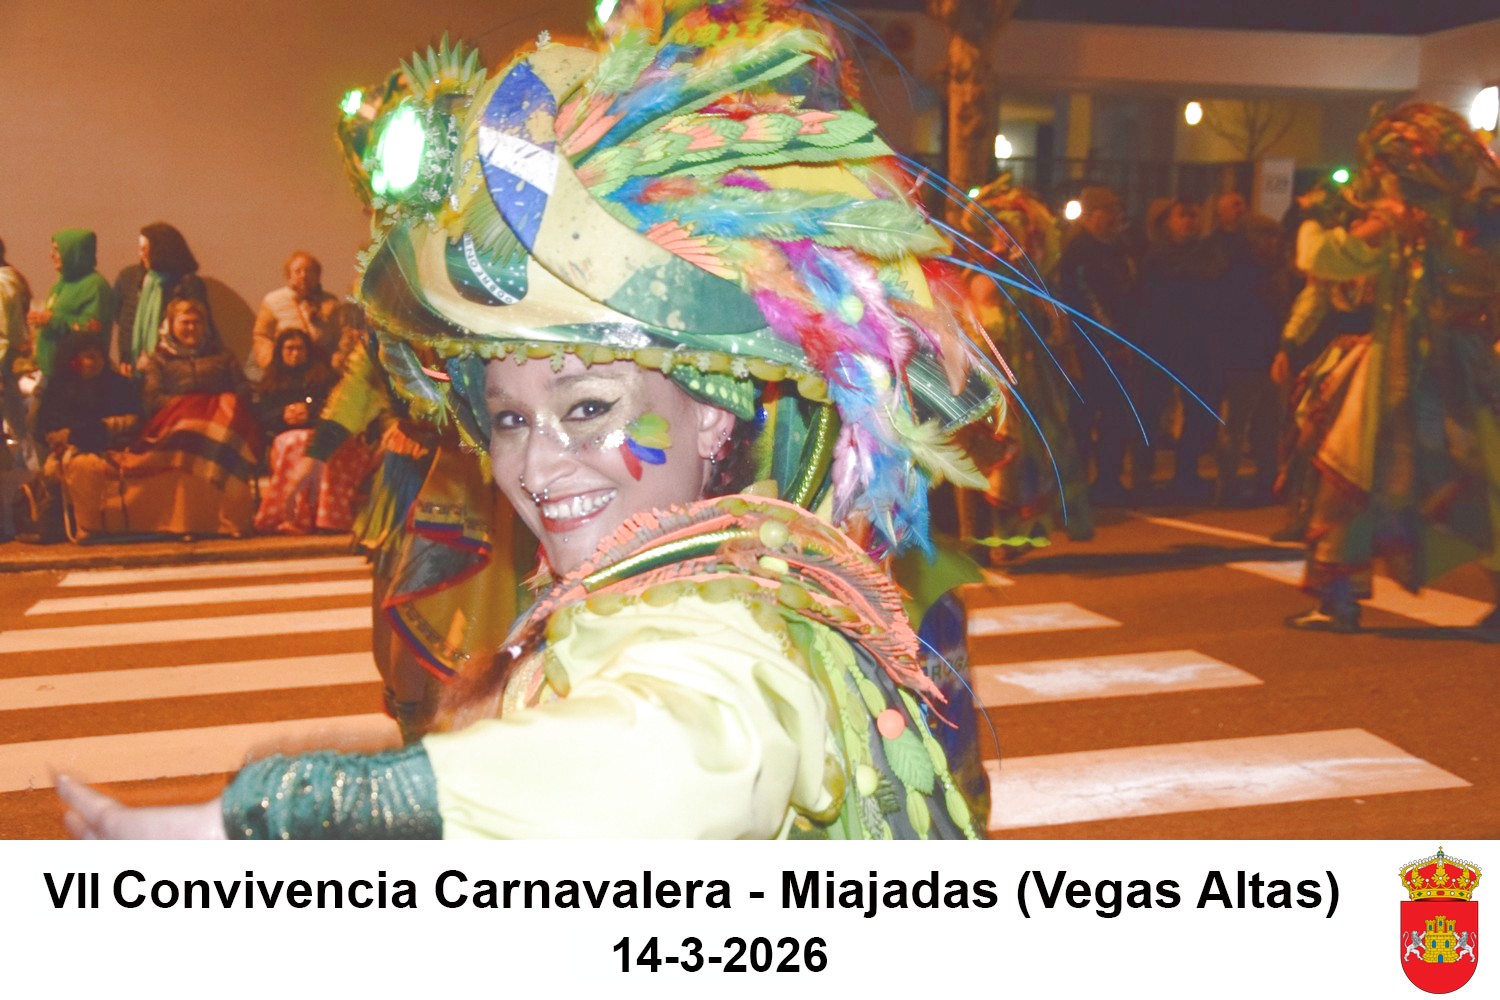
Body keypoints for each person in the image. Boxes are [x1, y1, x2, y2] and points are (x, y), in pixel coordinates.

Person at [57, 0, 1002, 839]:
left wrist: (296, 815)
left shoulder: (738, 627)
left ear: (716, 417)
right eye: (507, 420)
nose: (537, 469)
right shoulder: (637, 587)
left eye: (589, 408)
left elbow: (672, 758)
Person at [1282, 103, 1500, 634]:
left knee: (1351, 477)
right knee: (1481, 480)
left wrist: (1315, 218)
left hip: (1408, 372)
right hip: (1457, 368)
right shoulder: (1464, 223)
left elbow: (1323, 259)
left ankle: (1337, 598)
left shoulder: (1408, 224)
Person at [61, 297, 259, 539]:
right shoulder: (160, 360)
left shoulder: (223, 357)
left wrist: (216, 406)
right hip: (177, 425)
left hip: (219, 424)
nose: (191, 328)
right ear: (171, 324)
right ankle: (190, 522)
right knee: (186, 438)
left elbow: (242, 390)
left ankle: (229, 521)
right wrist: (190, 408)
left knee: (220, 438)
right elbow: (152, 399)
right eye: (185, 322)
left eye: (197, 322)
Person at [1057, 185, 1139, 505]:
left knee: (1116, 415)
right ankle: (1078, 482)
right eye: (1108, 211)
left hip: (1117, 344)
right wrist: (1111, 340)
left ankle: (1109, 478)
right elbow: (1087, 301)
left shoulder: (1118, 249)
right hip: (1091, 348)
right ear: (1090, 216)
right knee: (1085, 416)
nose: (1114, 218)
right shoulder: (1080, 253)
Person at [1136, 198, 1220, 497]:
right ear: (1167, 222)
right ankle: (1143, 473)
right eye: (1183, 215)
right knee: (1151, 409)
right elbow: (1144, 300)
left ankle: (1186, 472)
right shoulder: (1156, 255)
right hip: (1160, 343)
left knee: (1197, 411)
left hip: (1196, 344)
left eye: (1194, 215)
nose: (1190, 221)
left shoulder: (1206, 253)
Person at [253, 327, 369, 534]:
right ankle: (294, 516)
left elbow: (336, 407)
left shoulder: (325, 377)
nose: (295, 353)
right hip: (285, 434)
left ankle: (330, 517)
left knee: (326, 446)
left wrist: (311, 412)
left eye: (299, 348)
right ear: (280, 351)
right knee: (295, 443)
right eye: (289, 348)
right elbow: (261, 416)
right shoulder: (270, 381)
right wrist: (283, 415)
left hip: (320, 429)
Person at [113, 222, 210, 374]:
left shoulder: (187, 283)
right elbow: (122, 319)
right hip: (134, 365)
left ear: (160, 250)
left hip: (175, 367)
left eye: (145, 249)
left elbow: (200, 325)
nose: (140, 254)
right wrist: (126, 355)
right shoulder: (129, 278)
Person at [27, 229, 113, 379]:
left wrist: (53, 320)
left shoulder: (94, 286)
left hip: (78, 377)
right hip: (53, 373)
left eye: (57, 250)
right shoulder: (62, 283)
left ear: (73, 252)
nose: (51, 255)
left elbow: (91, 328)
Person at [248, 252, 340, 379]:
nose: (304, 275)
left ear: (318, 275)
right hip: (286, 371)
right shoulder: (273, 300)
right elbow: (262, 335)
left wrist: (337, 361)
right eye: (298, 271)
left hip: (320, 371)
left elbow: (339, 337)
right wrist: (271, 363)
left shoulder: (331, 302)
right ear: (289, 275)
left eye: (309, 271)